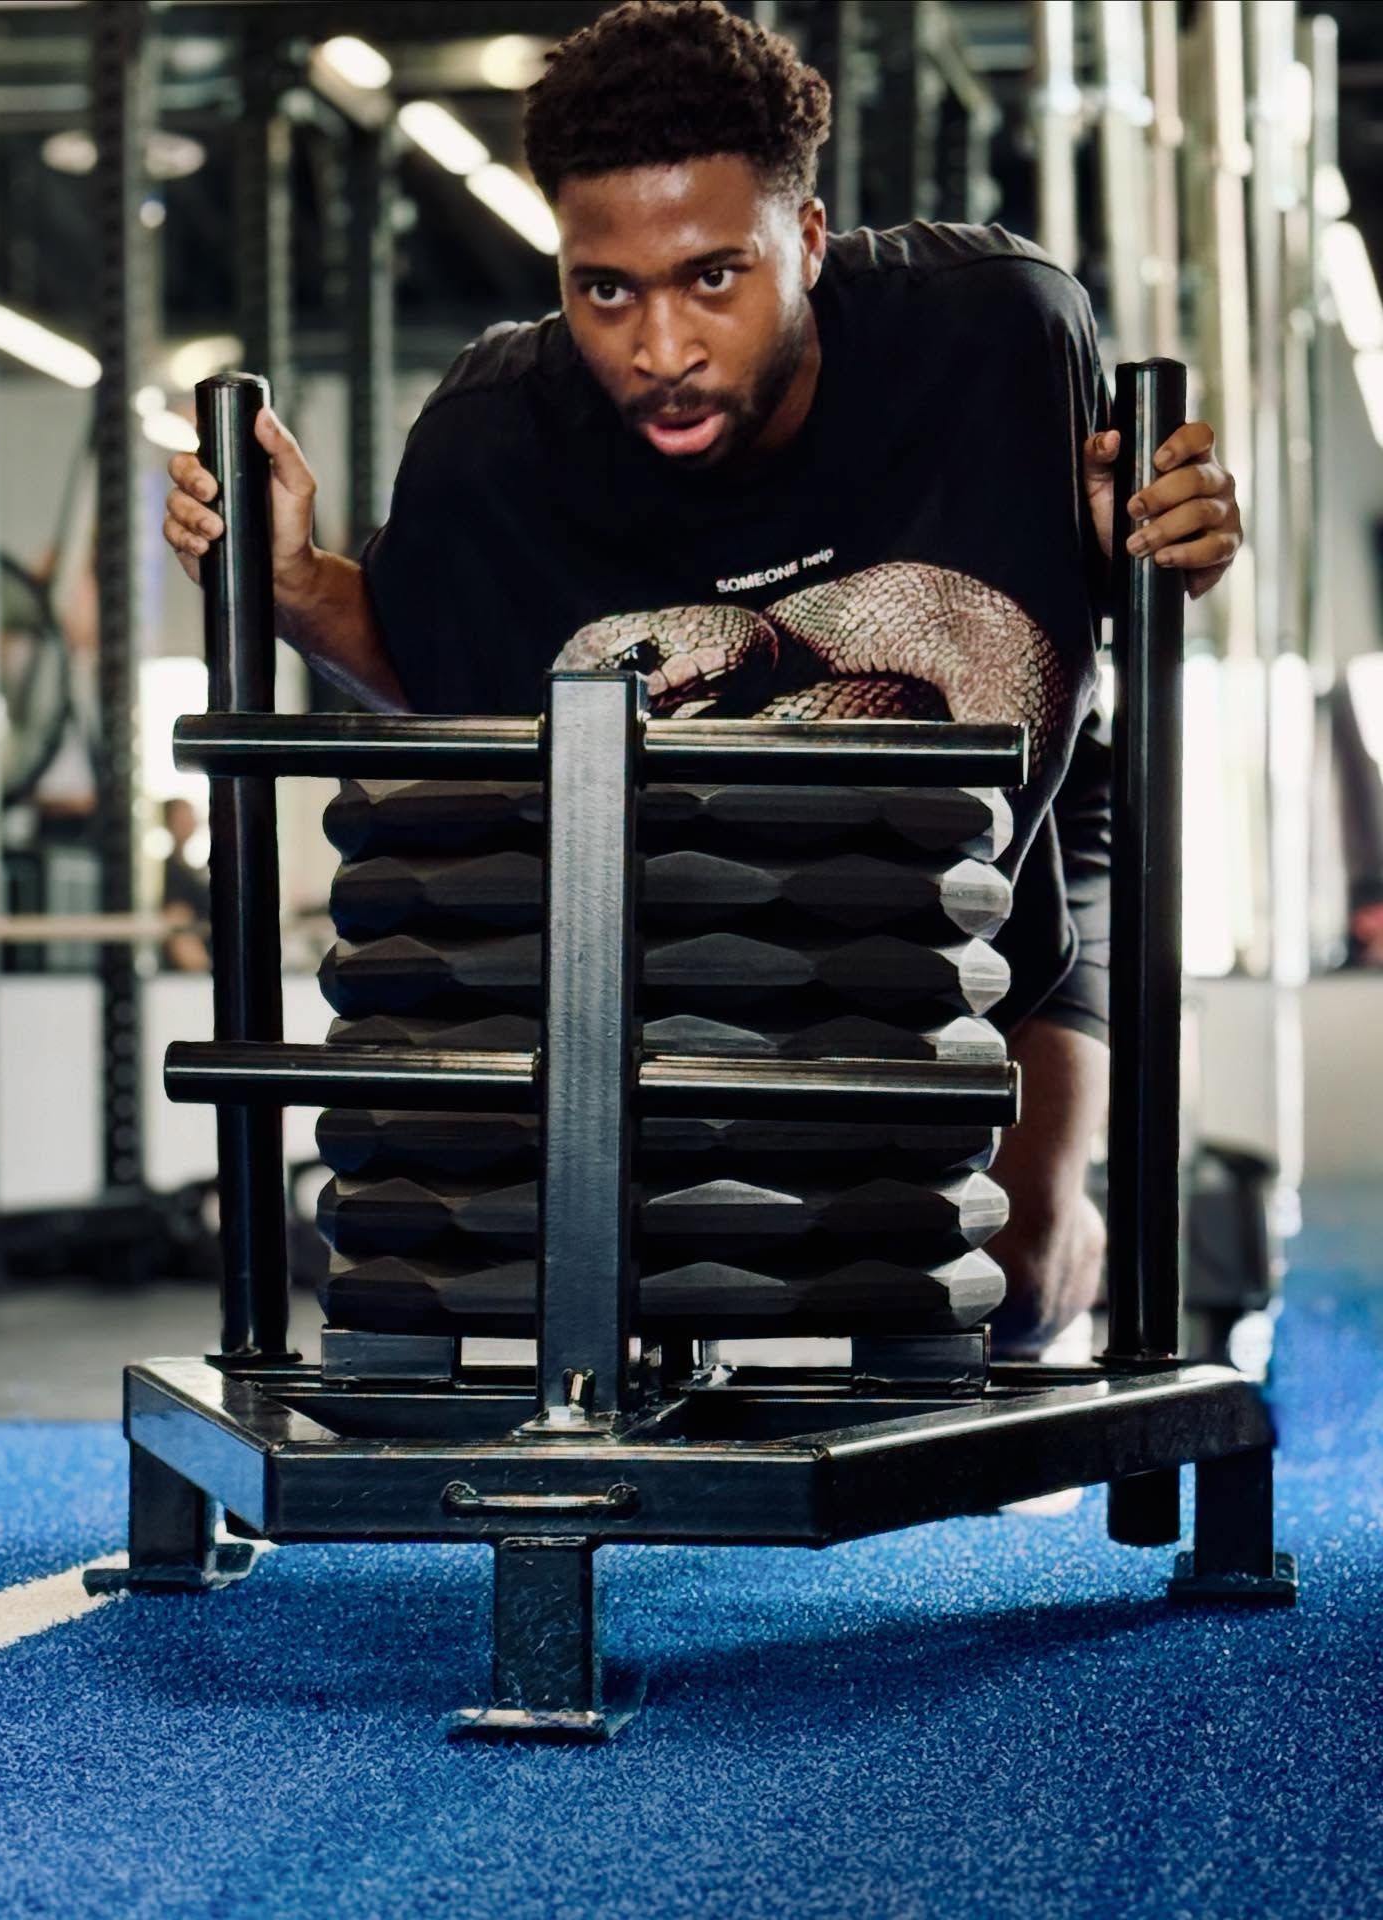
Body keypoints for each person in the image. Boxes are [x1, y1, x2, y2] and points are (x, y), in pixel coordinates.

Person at [162, 0, 1242, 1355]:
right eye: (606, 289)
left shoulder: (996, 336)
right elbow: (440, 687)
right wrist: (294, 587)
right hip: (709, 930)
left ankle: (1063, 1242)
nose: (660, 351)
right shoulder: (494, 440)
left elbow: (1115, 545)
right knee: (580, 1261)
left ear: (807, 238)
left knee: (993, 1284)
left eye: (713, 278)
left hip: (1003, 891)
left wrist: (1163, 543)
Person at [159, 795, 211, 973]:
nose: (191, 820)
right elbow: (178, 928)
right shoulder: (172, 872)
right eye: (184, 815)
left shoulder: (188, 870)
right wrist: (202, 968)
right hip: (188, 975)